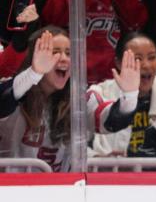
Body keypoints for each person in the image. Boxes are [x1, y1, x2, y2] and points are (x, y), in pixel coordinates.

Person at [0, 26, 139, 171]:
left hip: (63, 191)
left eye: (68, 53)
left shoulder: (79, 99)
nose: (64, 59)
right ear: (33, 58)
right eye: (54, 52)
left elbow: (110, 122)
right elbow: (4, 100)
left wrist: (129, 96)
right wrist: (34, 73)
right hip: (12, 191)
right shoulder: (15, 89)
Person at [88, 32, 156, 157]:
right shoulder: (102, 92)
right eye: (137, 59)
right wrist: (96, 158)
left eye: (152, 57)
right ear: (118, 63)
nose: (146, 65)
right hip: (116, 175)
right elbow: (75, 142)